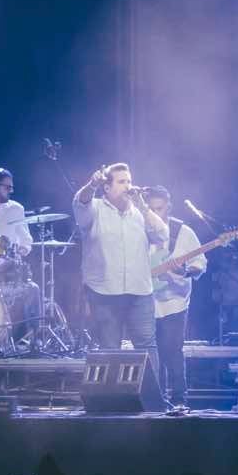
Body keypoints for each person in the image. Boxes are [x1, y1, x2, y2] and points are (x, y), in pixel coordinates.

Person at [73, 163, 168, 370]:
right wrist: (91, 185)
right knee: (110, 349)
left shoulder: (140, 213)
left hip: (139, 292)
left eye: (129, 181)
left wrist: (144, 207)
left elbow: (162, 235)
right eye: (122, 181)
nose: (128, 186)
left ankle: (154, 400)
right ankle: (112, 401)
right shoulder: (95, 208)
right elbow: (80, 203)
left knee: (146, 347)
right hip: (104, 292)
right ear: (107, 188)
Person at [144, 187, 206, 408]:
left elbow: (200, 264)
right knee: (151, 354)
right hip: (146, 302)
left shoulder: (183, 232)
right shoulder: (139, 231)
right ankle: (156, 399)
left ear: (168, 207)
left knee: (172, 350)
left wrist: (185, 271)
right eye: (150, 209)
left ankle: (179, 399)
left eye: (159, 209)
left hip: (174, 302)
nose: (154, 214)